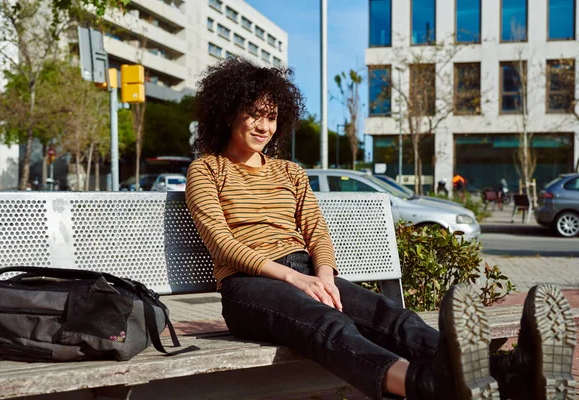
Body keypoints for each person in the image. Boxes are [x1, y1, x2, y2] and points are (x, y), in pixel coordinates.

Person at [184, 58, 576, 400]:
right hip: (248, 286)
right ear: (230, 112)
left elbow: (316, 231)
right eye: (254, 113)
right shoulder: (207, 169)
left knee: (394, 317)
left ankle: (509, 374)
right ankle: (429, 386)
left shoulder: (290, 172)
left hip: (305, 272)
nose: (264, 125)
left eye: (271, 116)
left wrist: (322, 275)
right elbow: (222, 243)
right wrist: (295, 280)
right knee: (328, 323)